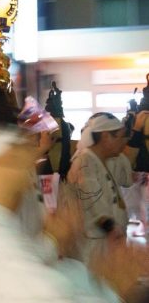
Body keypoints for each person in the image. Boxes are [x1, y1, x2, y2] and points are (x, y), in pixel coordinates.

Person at [0, 88, 128, 302]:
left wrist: (52, 240)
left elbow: (18, 258)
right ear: (4, 156)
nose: (23, 176)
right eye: (23, 147)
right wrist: (115, 286)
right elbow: (38, 291)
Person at [67, 112, 130, 262]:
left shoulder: (102, 160)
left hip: (107, 241)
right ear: (106, 137)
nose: (124, 143)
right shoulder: (85, 162)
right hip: (94, 245)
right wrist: (112, 229)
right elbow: (92, 202)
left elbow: (126, 181)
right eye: (120, 137)